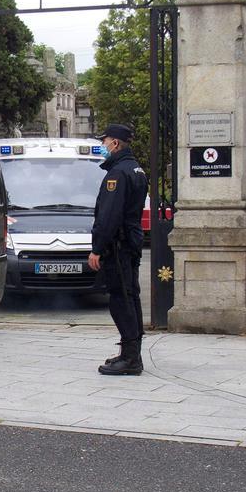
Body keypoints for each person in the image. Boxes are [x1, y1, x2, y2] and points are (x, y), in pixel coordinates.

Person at [87, 123, 148, 376]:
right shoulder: (137, 170)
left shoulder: (117, 174)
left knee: (121, 299)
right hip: (131, 241)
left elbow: (109, 216)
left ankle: (132, 359)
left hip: (118, 245)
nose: (103, 146)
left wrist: (97, 248)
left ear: (115, 143)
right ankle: (129, 352)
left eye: (105, 142)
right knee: (130, 296)